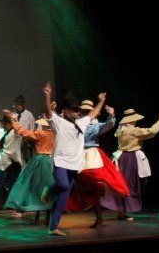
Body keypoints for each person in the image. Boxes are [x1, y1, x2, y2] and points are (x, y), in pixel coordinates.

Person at [40, 82, 106, 236]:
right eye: (74, 110)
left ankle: (53, 227)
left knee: (63, 197)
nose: (77, 112)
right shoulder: (59, 122)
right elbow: (48, 112)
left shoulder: (82, 123)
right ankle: (48, 191)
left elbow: (93, 114)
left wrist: (101, 101)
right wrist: (47, 95)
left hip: (74, 164)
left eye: (78, 110)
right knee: (62, 185)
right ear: (66, 110)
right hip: (60, 161)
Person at [66, 101, 129, 228]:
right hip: (79, 154)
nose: (83, 113)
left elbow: (109, 125)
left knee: (97, 179)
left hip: (91, 154)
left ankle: (116, 209)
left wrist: (111, 115)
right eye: (82, 111)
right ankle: (99, 216)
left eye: (86, 111)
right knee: (80, 183)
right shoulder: (76, 125)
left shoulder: (95, 126)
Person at [100, 109, 159, 221]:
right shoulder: (132, 130)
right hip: (129, 158)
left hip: (121, 158)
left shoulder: (120, 129)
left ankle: (121, 212)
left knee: (122, 184)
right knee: (128, 184)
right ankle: (122, 212)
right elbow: (151, 131)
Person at [3, 112, 55, 223]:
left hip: (40, 161)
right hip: (50, 161)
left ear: (45, 125)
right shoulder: (54, 134)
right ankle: (46, 215)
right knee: (46, 186)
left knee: (33, 186)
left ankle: (38, 213)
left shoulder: (41, 133)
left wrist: (13, 120)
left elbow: (22, 132)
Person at [13, 95, 35, 163]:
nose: (18, 106)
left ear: (23, 105)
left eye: (20, 104)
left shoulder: (29, 114)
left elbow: (32, 128)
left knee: (27, 157)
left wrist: (28, 138)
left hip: (25, 139)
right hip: (16, 139)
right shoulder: (13, 115)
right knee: (16, 158)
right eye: (17, 104)